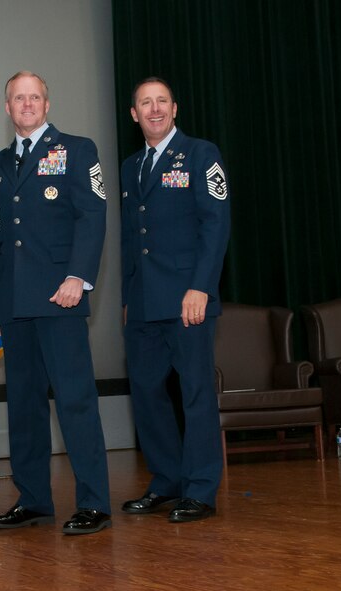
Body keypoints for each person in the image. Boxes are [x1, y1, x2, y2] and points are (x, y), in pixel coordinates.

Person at [0, 71, 111, 535]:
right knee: (24, 404)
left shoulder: (78, 150)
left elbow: (92, 215)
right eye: (18, 97)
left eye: (34, 97)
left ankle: (94, 501)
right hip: (13, 301)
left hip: (61, 296)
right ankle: (34, 498)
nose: (27, 104)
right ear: (7, 107)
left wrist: (78, 276)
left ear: (47, 104)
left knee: (75, 401)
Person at [120, 77, 231, 523]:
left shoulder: (202, 154)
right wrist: (128, 296)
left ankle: (201, 489)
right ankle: (166, 482)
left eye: (161, 101)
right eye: (145, 103)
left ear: (175, 108)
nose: (154, 109)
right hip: (144, 302)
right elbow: (132, 238)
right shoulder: (131, 166)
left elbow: (215, 225)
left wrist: (201, 286)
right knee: (147, 395)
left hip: (188, 298)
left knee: (196, 394)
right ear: (134, 114)